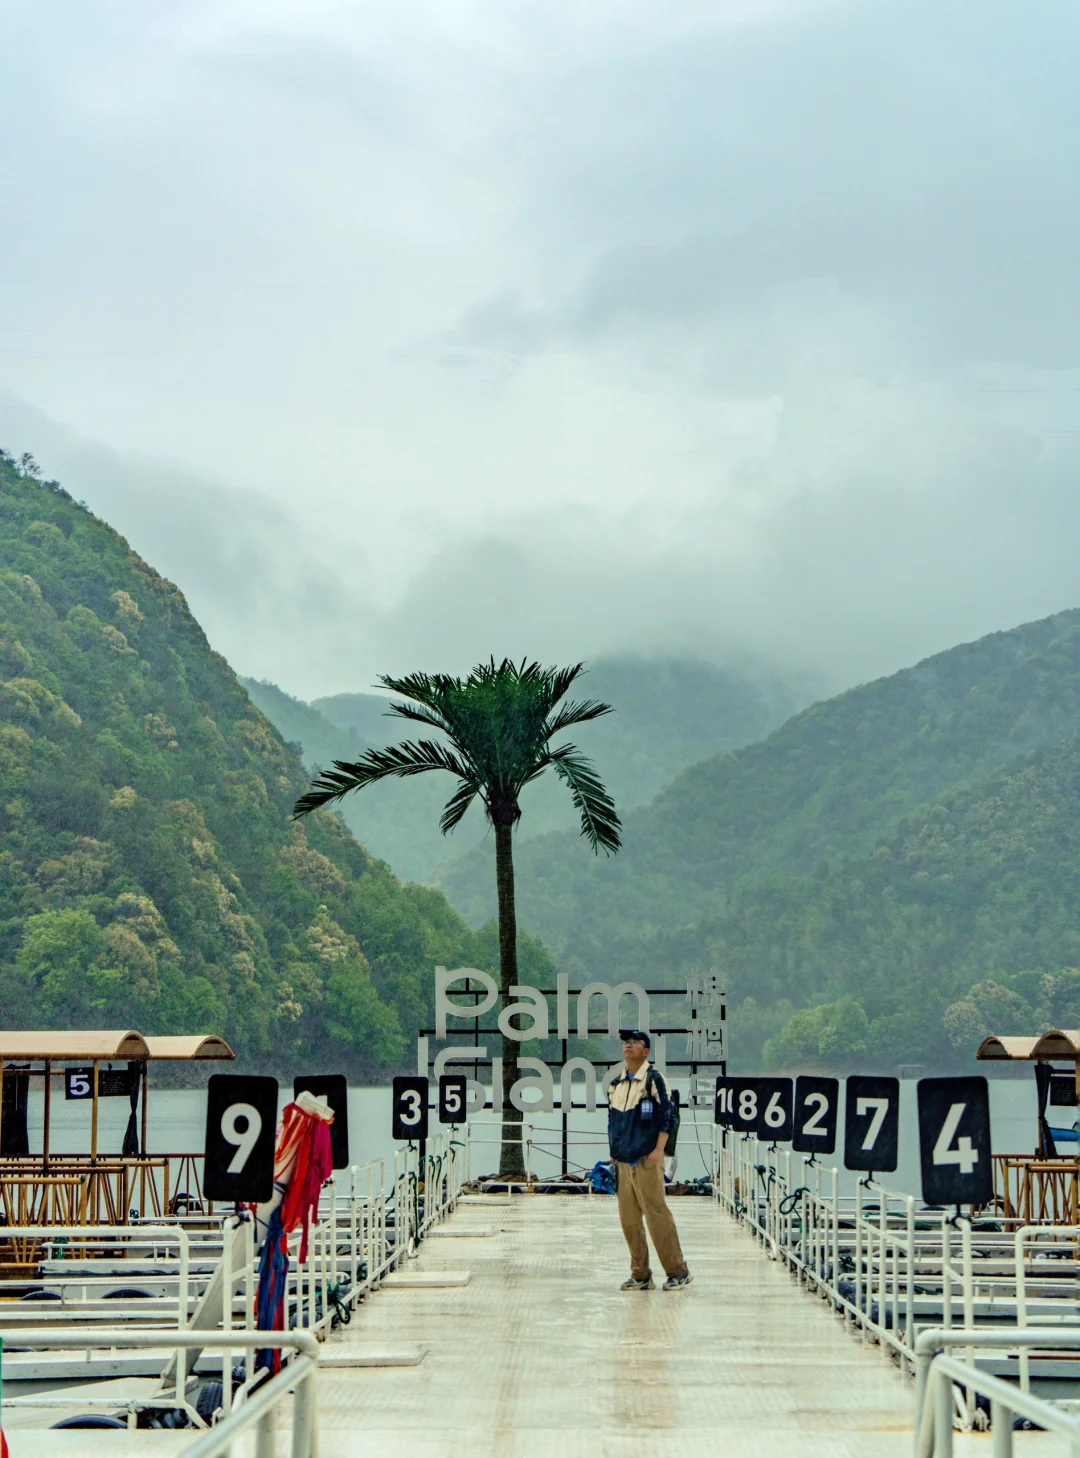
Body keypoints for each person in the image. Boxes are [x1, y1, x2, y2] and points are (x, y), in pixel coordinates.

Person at [607, 1029, 692, 1291]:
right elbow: (613, 1121)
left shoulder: (654, 1080)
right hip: (623, 1161)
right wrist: (614, 1152)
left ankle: (678, 1271)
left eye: (634, 1042)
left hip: (647, 1158)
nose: (628, 1046)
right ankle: (640, 1275)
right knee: (629, 1219)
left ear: (646, 1050)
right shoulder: (616, 1084)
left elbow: (669, 1116)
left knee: (656, 1214)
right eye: (626, 1043)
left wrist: (659, 1150)